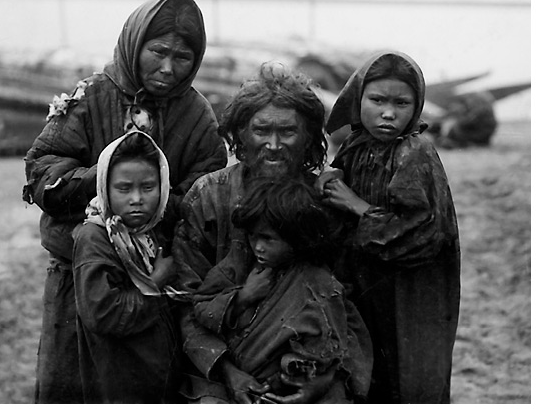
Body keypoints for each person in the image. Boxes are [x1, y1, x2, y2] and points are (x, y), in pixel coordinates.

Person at [22, 0, 227, 403]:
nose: (168, 68)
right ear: (136, 43)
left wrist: (156, 205)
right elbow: (43, 169)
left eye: (182, 57)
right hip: (80, 276)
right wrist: (103, 180)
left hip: (158, 275)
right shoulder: (91, 96)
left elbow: (207, 192)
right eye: (158, 52)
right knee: (74, 384)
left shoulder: (197, 115)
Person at [172, 62, 372, 403]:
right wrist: (227, 372)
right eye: (261, 130)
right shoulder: (209, 197)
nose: (274, 145)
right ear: (240, 134)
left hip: (307, 363)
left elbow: (346, 303)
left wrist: (326, 377)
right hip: (219, 365)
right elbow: (185, 301)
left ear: (309, 136)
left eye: (288, 132)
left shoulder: (323, 201)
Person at [316, 50, 461, 403]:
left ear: (416, 106)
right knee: (364, 373)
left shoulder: (415, 152)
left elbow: (422, 232)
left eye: (401, 103)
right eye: (377, 100)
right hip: (362, 283)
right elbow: (334, 205)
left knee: (407, 378)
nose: (388, 113)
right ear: (358, 98)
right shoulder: (355, 146)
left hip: (409, 292)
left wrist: (357, 206)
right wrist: (326, 184)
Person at [192, 176, 373, 403]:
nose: (258, 247)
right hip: (231, 379)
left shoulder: (318, 282)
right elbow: (200, 307)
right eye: (252, 236)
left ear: (296, 239)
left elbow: (333, 345)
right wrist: (243, 297)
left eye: (268, 239)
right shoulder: (238, 263)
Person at [73, 131, 181, 403]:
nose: (136, 199)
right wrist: (155, 282)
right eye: (124, 189)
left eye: (148, 187)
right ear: (104, 188)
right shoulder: (96, 238)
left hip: (157, 373)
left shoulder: (151, 230)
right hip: (120, 380)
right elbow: (103, 314)